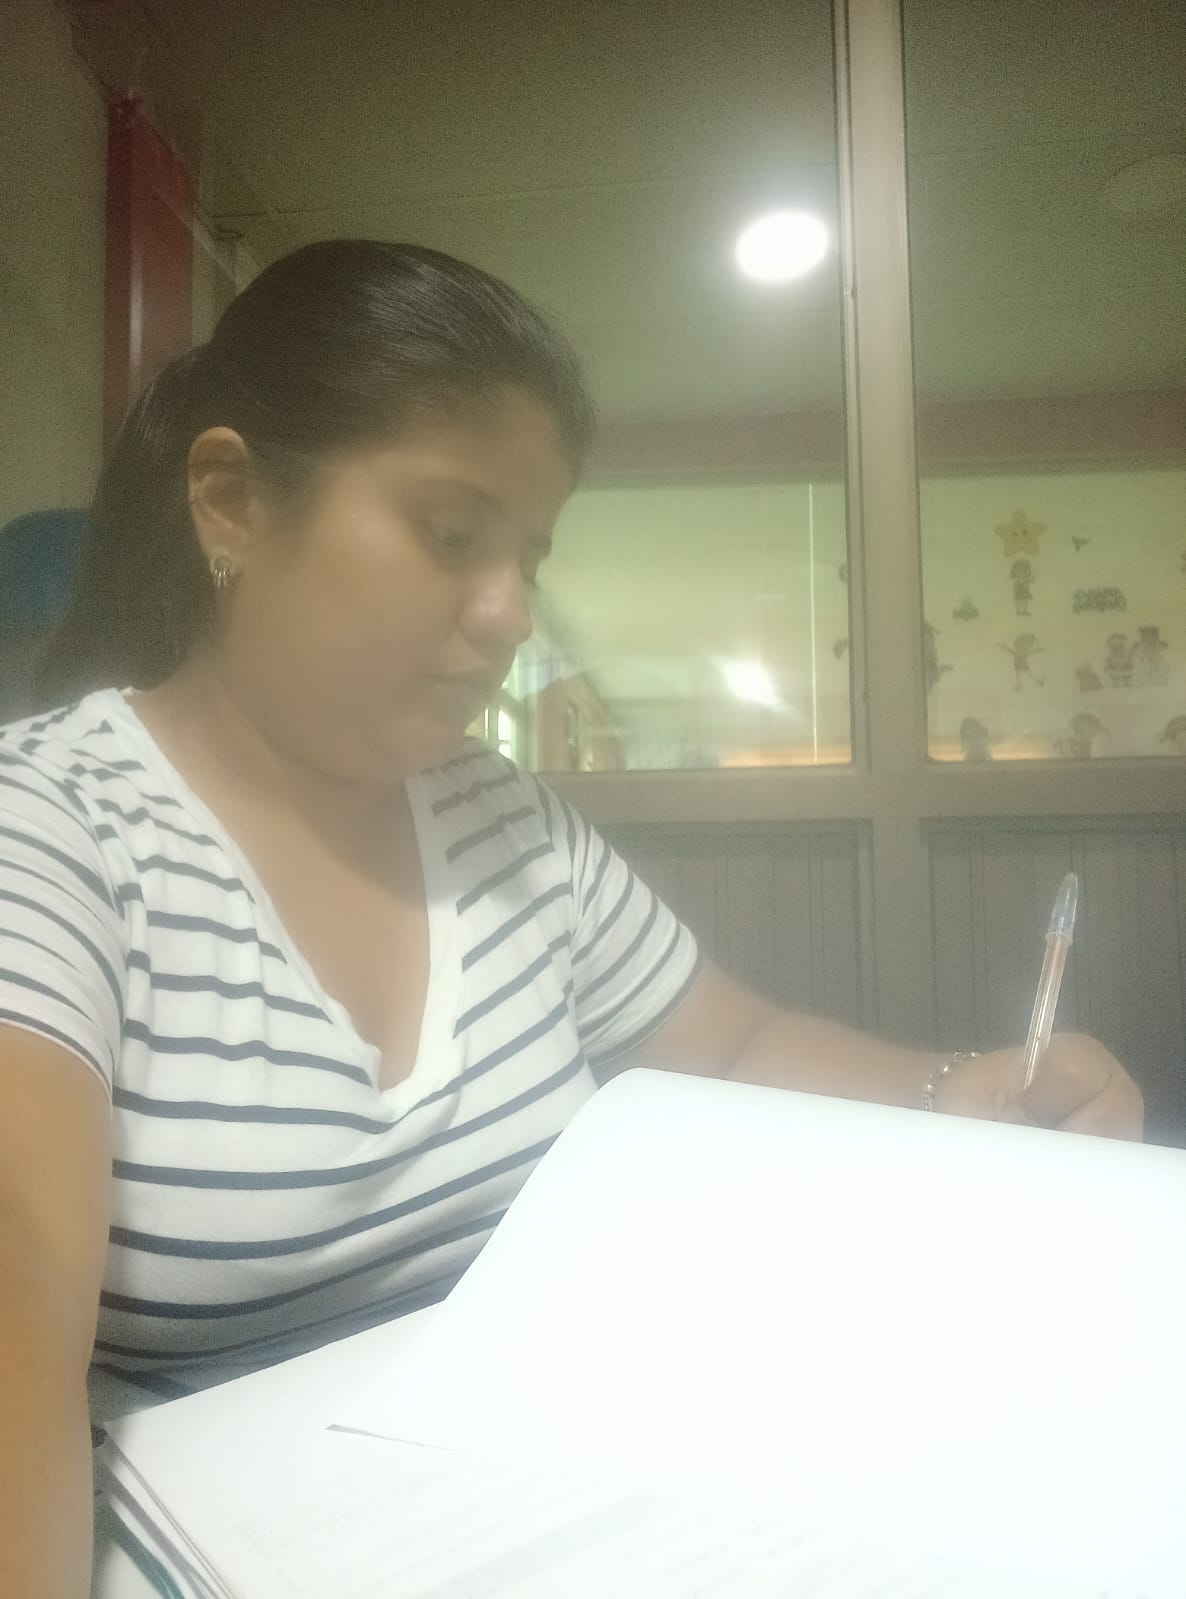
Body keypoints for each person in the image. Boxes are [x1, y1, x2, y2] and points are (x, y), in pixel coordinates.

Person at [0, 240, 1142, 1599]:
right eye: (450, 535)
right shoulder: (52, 831)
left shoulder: (499, 818)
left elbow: (727, 1045)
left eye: (529, 555)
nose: (508, 614)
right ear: (233, 500)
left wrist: (959, 1088)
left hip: (544, 1518)